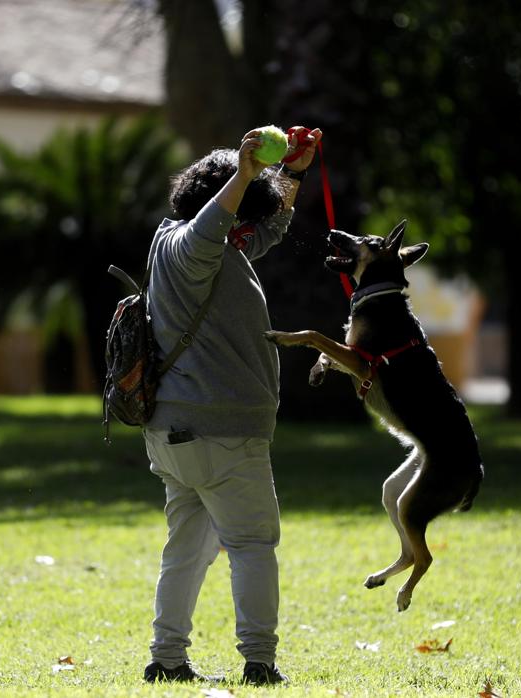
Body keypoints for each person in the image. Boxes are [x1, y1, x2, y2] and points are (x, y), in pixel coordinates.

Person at [140, 126, 321, 685]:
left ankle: (167, 660)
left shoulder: (190, 244)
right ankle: (260, 663)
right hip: (221, 432)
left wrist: (289, 174)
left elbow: (267, 229)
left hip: (174, 431)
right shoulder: (193, 248)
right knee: (252, 544)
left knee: (187, 550)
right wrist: (245, 173)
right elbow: (214, 225)